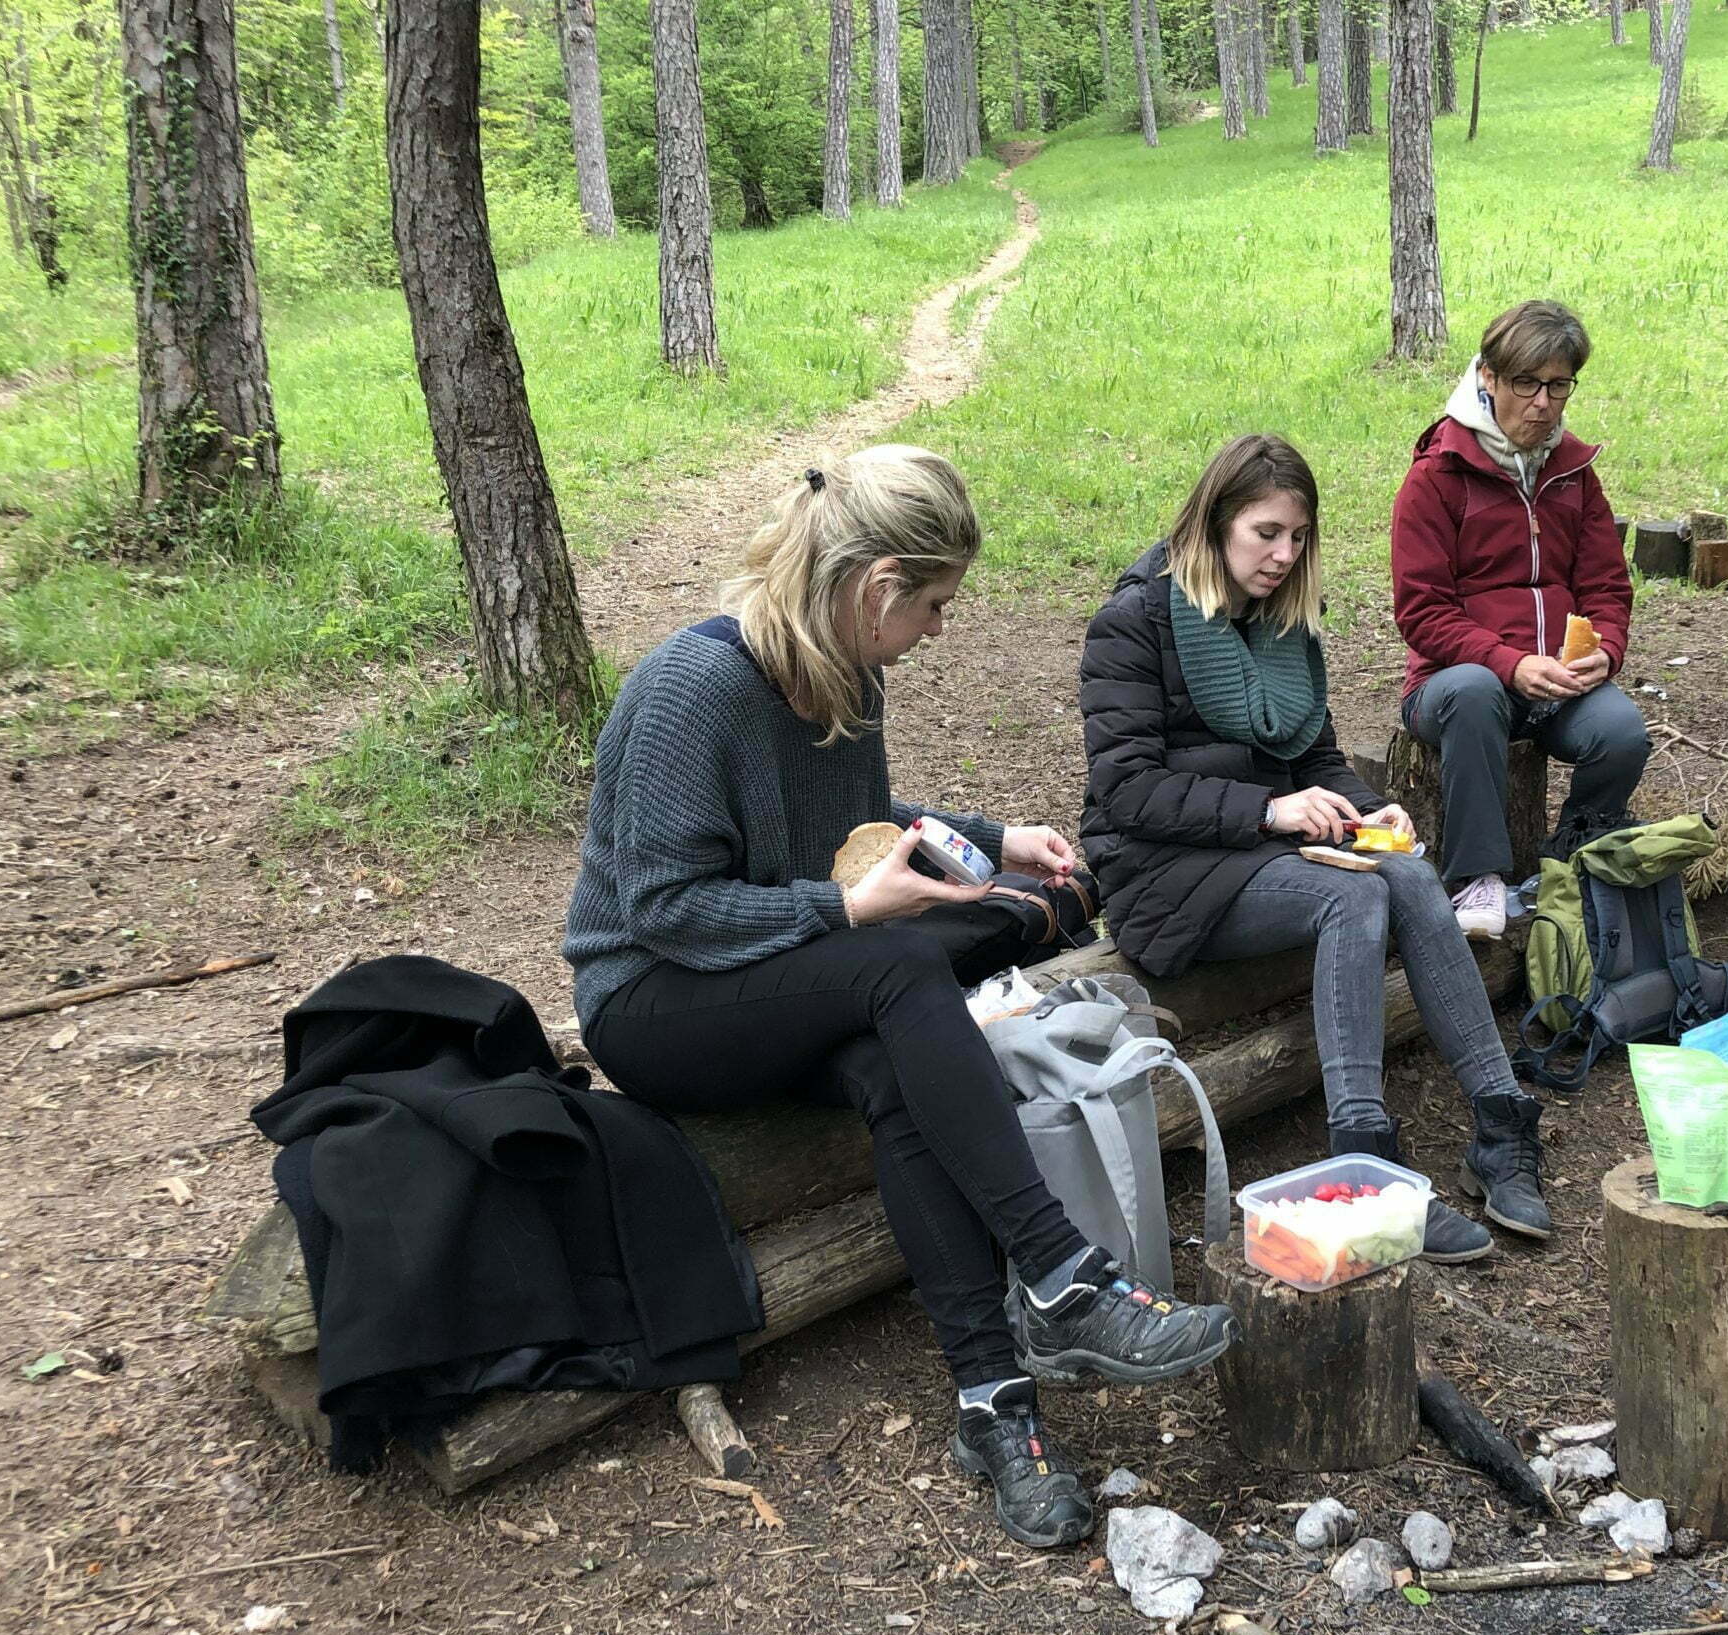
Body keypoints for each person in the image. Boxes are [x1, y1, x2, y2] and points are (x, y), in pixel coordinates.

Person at [562, 444, 1236, 1551]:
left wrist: (991, 840)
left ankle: (992, 1403)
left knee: (895, 1065)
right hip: (658, 1001)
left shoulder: (844, 671)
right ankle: (1065, 1278)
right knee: (902, 961)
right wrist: (850, 914)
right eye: (931, 605)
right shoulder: (692, 690)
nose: (936, 628)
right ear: (876, 589)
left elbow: (845, 827)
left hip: (776, 980)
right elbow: (664, 910)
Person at [1079, 433, 1551, 1262]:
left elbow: (1317, 758)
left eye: (1298, 538)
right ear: (1216, 521)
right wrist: (1272, 810)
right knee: (1354, 892)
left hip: (1254, 847)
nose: (1284, 555)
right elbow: (1128, 792)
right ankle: (1363, 1161)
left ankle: (1500, 1117)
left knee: (1402, 873)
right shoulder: (1135, 622)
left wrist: (1376, 810)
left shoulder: (1282, 620)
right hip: (1162, 872)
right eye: (1266, 533)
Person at [1391, 300, 1654, 939]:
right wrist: (1510, 662)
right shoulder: (1435, 478)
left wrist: (1607, 651)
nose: (1542, 402)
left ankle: (1563, 862)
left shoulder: (1574, 475)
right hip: (1451, 686)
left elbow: (1606, 586)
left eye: (1558, 385)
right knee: (1478, 691)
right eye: (1525, 384)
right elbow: (1421, 611)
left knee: (1622, 733)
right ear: (1487, 377)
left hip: (1555, 684)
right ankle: (1477, 878)